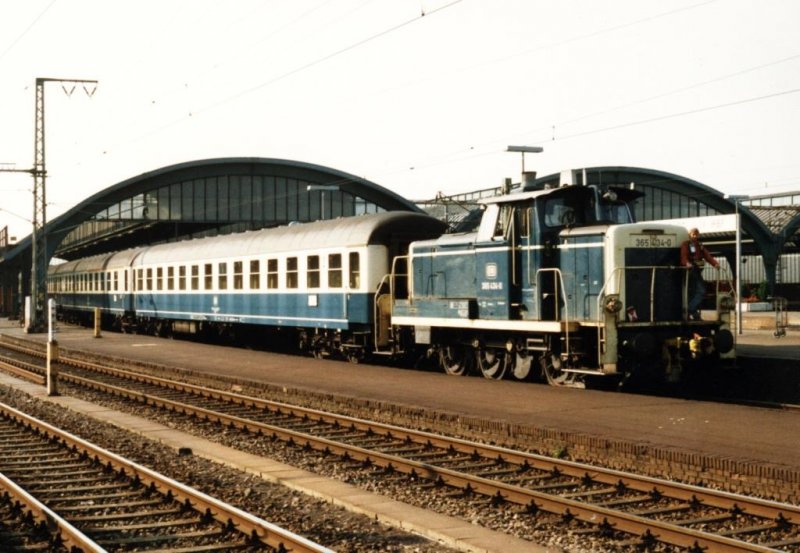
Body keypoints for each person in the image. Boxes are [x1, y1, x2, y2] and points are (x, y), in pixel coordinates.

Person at [680, 227, 719, 320]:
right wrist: (687, 263)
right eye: (693, 234)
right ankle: (691, 309)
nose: (695, 236)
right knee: (699, 290)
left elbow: (707, 256)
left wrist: (715, 264)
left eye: (696, 235)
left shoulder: (699, 246)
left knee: (697, 291)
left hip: (696, 270)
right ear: (689, 235)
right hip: (690, 271)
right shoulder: (685, 244)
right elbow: (683, 257)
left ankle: (691, 310)